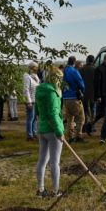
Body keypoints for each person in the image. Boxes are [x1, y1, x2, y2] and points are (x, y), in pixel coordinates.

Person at [35, 68, 66, 197]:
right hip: (53, 131)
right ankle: (56, 190)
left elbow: (37, 111)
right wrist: (59, 132)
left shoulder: (40, 90)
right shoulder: (53, 93)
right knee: (55, 162)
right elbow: (53, 114)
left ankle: (41, 190)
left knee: (42, 160)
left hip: (42, 130)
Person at [62, 56, 86, 143]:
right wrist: (82, 92)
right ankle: (78, 136)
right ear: (75, 63)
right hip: (74, 97)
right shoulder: (74, 71)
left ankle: (71, 137)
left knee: (70, 119)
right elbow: (81, 84)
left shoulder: (64, 71)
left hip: (66, 97)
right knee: (81, 118)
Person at [92, 54, 106, 135]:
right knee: (102, 113)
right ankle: (90, 124)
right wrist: (98, 96)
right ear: (105, 59)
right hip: (102, 95)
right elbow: (97, 84)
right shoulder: (99, 69)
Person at [23, 61, 41, 142]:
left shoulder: (36, 76)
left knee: (35, 118)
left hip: (36, 99)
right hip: (31, 100)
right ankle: (29, 135)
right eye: (35, 67)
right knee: (30, 118)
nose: (37, 69)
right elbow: (26, 89)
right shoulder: (27, 76)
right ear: (31, 67)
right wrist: (29, 101)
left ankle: (34, 133)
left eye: (37, 67)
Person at [79, 55, 97, 135]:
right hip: (94, 93)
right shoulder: (96, 69)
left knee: (84, 111)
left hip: (84, 93)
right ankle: (92, 126)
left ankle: (85, 126)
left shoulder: (82, 69)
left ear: (87, 60)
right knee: (93, 111)